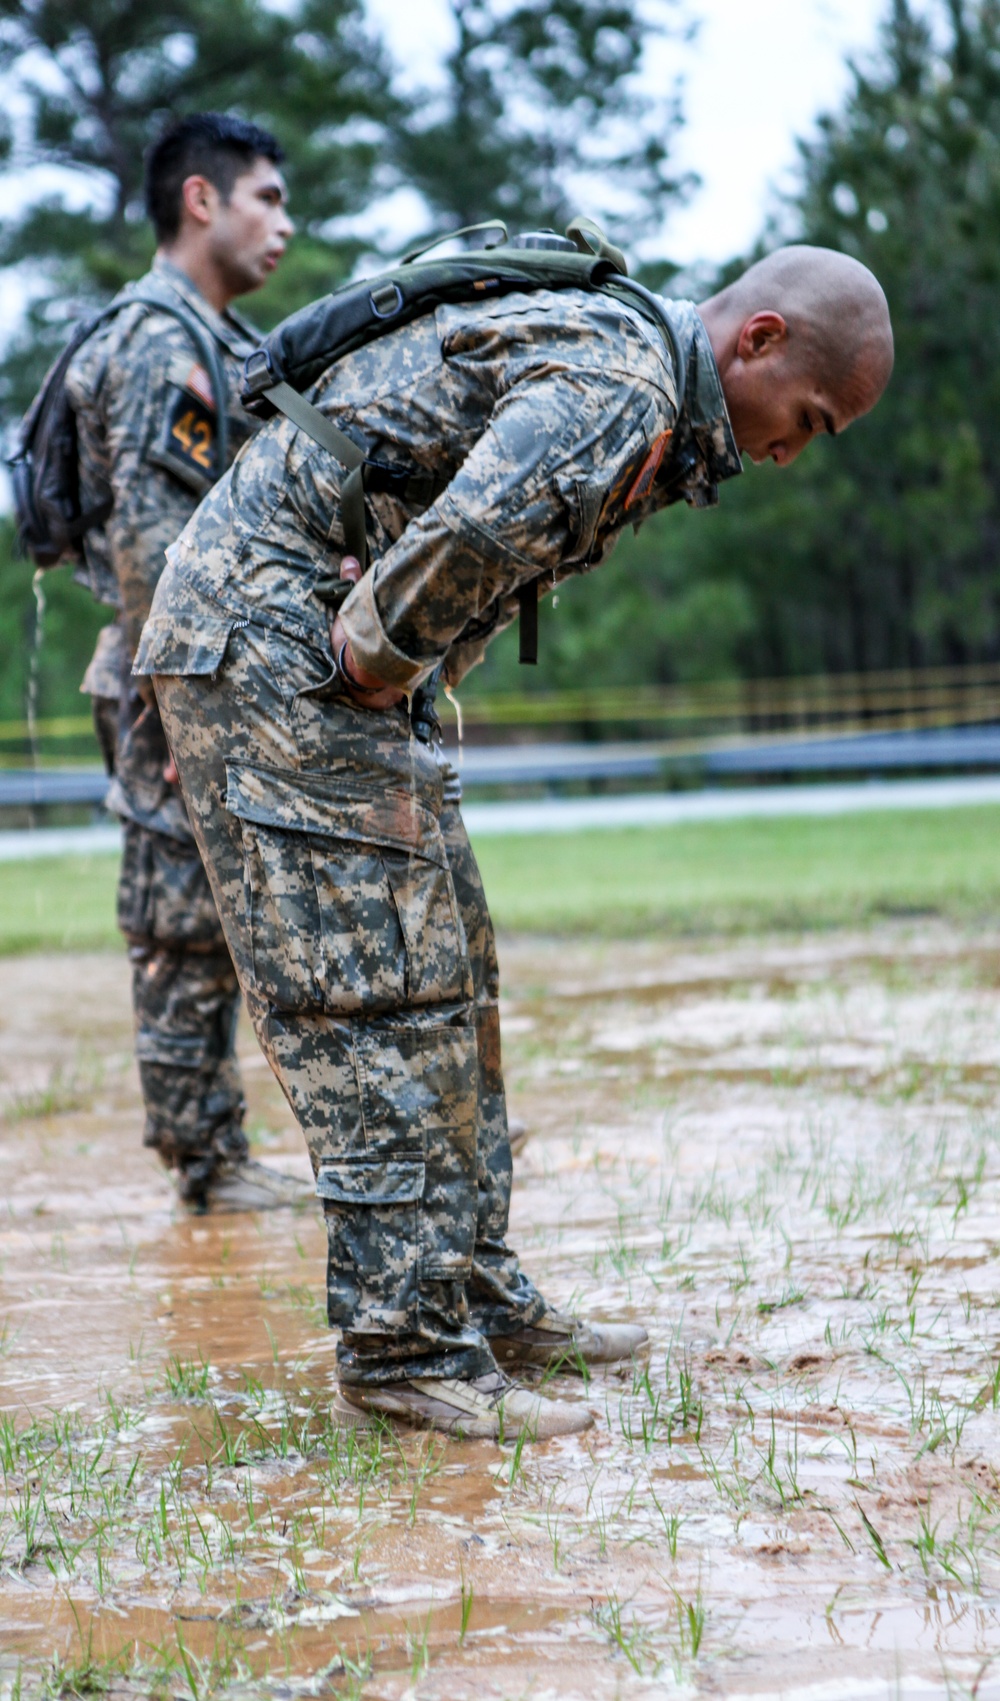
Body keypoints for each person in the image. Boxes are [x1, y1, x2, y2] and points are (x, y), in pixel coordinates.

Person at [137, 243, 893, 1437]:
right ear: (757, 341)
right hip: (274, 643)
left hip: (317, 641)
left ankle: (472, 1294)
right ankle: (403, 1349)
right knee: (372, 989)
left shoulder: (638, 393)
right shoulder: (628, 384)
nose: (788, 451)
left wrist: (397, 650)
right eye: (802, 417)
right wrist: (376, 650)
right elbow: (482, 532)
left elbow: (473, 546)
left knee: (454, 975)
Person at [67, 112, 307, 1213]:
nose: (284, 227)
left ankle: (216, 1155)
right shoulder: (165, 342)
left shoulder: (207, 336)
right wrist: (179, 712)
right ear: (201, 200)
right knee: (178, 919)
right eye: (267, 197)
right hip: (174, 674)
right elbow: (157, 558)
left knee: (207, 917)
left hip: (193, 670)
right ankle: (205, 1166)